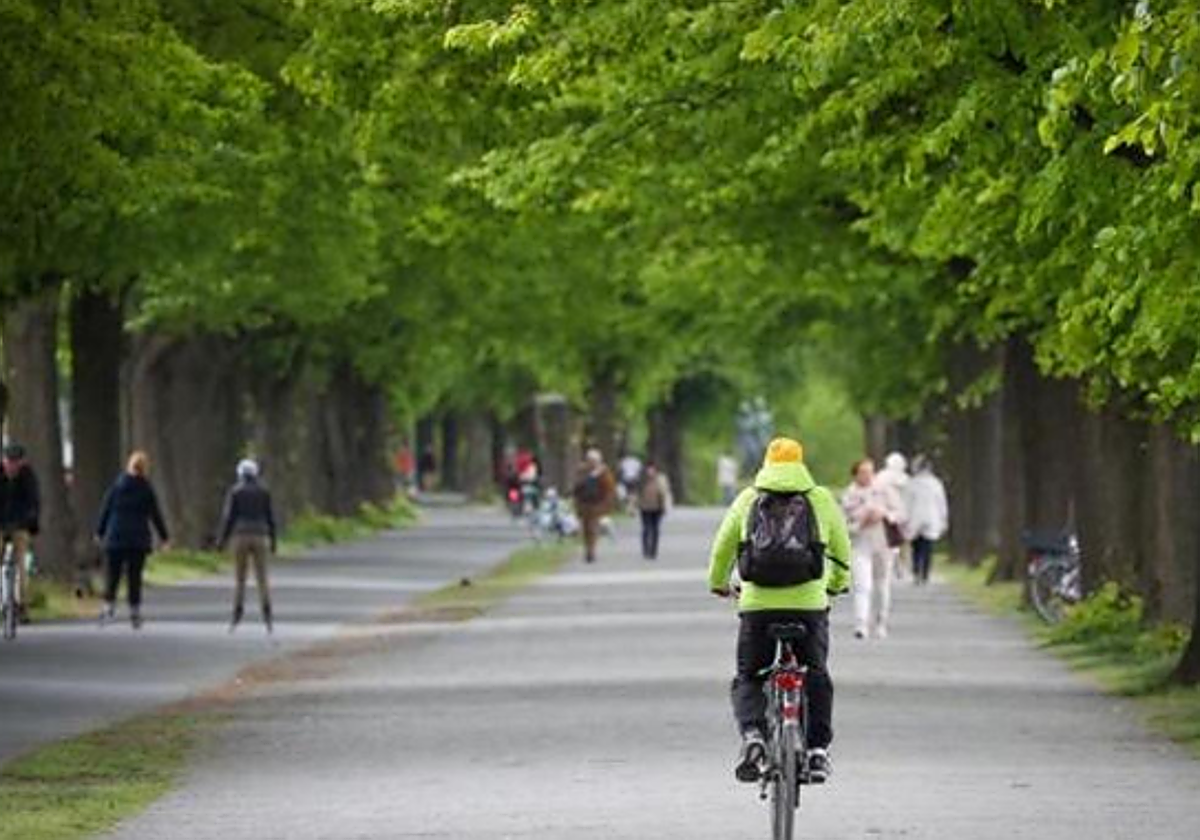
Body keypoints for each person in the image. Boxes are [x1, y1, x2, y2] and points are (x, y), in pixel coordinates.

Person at [708, 437, 851, 785]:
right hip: (809, 606)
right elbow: (842, 551)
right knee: (816, 673)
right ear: (801, 462)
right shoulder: (820, 499)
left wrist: (719, 582)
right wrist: (835, 585)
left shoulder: (748, 499)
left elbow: (724, 546)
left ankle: (754, 736)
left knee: (749, 676)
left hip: (758, 605)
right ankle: (817, 752)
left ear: (767, 463)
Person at [95, 451, 169, 629]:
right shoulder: (146, 489)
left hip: (116, 536)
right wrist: (164, 537)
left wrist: (100, 531)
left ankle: (108, 608)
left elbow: (105, 509)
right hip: (137, 539)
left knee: (113, 575)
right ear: (145, 468)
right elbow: (155, 514)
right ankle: (134, 612)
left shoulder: (117, 486)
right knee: (134, 576)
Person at [842, 458, 902, 639]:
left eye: (870, 472)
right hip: (860, 545)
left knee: (882, 585)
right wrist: (862, 521)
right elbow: (844, 524)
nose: (867, 476)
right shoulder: (849, 495)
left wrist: (884, 515)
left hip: (883, 545)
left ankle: (881, 622)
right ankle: (861, 624)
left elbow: (899, 513)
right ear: (855, 475)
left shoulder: (884, 490)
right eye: (863, 472)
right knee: (863, 585)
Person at [216, 459, 277, 633]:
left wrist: (222, 540)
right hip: (260, 535)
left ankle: (237, 612)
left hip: (240, 535)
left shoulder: (235, 491)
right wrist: (273, 540)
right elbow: (270, 517)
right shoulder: (264, 492)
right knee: (262, 578)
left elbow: (229, 517)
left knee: (240, 578)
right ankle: (267, 613)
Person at [0, 444, 40, 624]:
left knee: (21, 564)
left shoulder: (28, 477)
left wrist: (31, 520)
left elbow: (34, 501)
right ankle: (3, 602)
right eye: (9, 462)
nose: (12, 467)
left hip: (20, 524)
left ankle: (21, 605)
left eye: (16, 463)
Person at [906, 455, 949, 584]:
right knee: (927, 548)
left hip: (915, 517)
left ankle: (916, 571)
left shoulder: (912, 483)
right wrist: (943, 519)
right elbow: (941, 503)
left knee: (916, 547)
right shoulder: (936, 483)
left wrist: (905, 519)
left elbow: (907, 503)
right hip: (932, 517)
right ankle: (924, 573)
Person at [572, 448, 616, 563]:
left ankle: (591, 551)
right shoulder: (582, 471)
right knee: (586, 529)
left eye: (594, 460)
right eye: (590, 460)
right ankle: (588, 548)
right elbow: (576, 487)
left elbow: (609, 490)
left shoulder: (604, 472)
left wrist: (606, 505)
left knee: (593, 528)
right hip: (584, 504)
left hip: (597, 504)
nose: (592, 462)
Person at [875, 451, 911, 581]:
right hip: (901, 514)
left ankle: (892, 562)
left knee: (889, 540)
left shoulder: (880, 476)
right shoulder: (905, 478)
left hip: (886, 514)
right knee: (903, 541)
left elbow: (876, 495)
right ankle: (901, 565)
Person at [636, 462, 673, 560]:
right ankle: (645, 550)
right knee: (646, 529)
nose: (650, 472)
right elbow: (636, 494)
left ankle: (653, 550)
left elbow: (665, 493)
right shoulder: (642, 480)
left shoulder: (661, 479)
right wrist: (633, 506)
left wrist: (665, 506)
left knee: (655, 529)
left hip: (657, 508)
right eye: (648, 469)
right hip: (644, 507)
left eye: (652, 469)